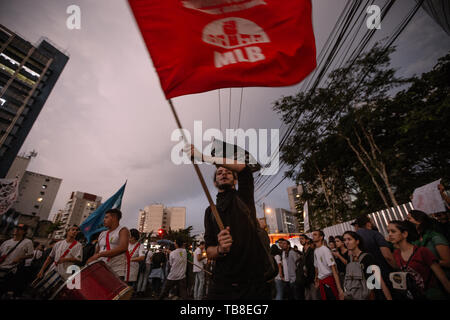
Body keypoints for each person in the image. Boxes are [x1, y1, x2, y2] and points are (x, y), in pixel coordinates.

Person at [185, 145, 271, 300]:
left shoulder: (243, 198)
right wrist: (220, 249)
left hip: (252, 284)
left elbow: (244, 169)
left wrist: (203, 157)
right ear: (215, 181)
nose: (223, 173)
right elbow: (209, 250)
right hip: (222, 284)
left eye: (228, 171)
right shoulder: (210, 211)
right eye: (219, 172)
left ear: (235, 178)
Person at [388, 220, 450, 299]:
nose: (389, 234)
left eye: (393, 231)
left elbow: (443, 279)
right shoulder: (396, 254)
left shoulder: (422, 251)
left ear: (404, 234)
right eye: (388, 232)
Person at [352, 214, 397, 289]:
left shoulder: (353, 239)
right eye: (371, 221)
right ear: (368, 224)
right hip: (383, 272)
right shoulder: (374, 234)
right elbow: (387, 256)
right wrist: (397, 268)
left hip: (367, 276)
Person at [342, 231, 392, 300]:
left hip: (371, 294)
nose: (346, 242)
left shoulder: (367, 257)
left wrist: (388, 297)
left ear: (357, 241)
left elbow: (379, 279)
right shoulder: (349, 259)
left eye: (349, 239)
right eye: (344, 240)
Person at [86, 209, 129, 280]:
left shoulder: (123, 230)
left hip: (116, 270)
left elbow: (123, 247)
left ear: (114, 217)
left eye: (106, 217)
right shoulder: (102, 234)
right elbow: (97, 252)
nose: (104, 220)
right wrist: (91, 260)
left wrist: (100, 254)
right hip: (101, 269)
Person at [0, 224, 34, 298]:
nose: (16, 230)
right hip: (1, 267)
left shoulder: (27, 242)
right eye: (16, 228)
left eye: (20, 229)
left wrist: (20, 258)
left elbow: (31, 254)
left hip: (11, 270)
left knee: (3, 288)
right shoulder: (7, 242)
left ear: (24, 232)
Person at [312, 230, 344, 300]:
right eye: (313, 235)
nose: (313, 236)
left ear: (321, 237)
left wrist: (339, 289)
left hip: (328, 280)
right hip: (321, 281)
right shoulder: (315, 250)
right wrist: (316, 278)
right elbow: (316, 266)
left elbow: (333, 269)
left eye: (315, 234)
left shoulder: (325, 250)